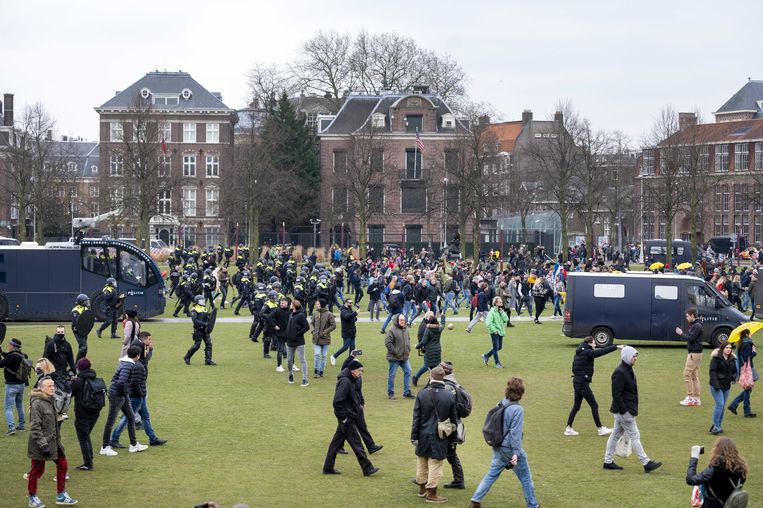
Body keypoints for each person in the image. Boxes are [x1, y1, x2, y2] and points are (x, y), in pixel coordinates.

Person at [469, 377, 539, 508]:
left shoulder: (501, 403)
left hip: (498, 446)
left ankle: (475, 501)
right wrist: (516, 453)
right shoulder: (518, 409)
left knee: (491, 474)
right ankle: (533, 505)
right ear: (521, 393)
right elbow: (515, 433)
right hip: (509, 448)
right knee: (525, 477)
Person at [602, 346, 662, 473]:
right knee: (635, 435)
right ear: (627, 356)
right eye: (634, 356)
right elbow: (616, 394)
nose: (635, 359)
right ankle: (646, 463)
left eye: (636, 356)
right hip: (624, 412)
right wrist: (625, 411)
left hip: (624, 410)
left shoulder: (627, 369)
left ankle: (607, 461)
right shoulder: (620, 372)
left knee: (615, 435)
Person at [322, 359, 379, 477]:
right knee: (357, 444)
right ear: (352, 371)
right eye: (359, 371)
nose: (361, 373)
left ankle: (328, 467)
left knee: (336, 444)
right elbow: (337, 401)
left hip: (348, 416)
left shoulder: (351, 380)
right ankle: (367, 468)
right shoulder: (346, 382)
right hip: (347, 418)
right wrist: (343, 418)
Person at [26, 377, 78, 507]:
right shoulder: (37, 403)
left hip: (54, 442)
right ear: (41, 388)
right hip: (40, 444)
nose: (52, 388)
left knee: (63, 465)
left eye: (53, 386)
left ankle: (61, 495)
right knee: (37, 471)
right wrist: (43, 445)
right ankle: (32, 497)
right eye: (49, 386)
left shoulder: (51, 400)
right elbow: (35, 427)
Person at [411, 365, 458, 504]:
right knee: (435, 463)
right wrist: (454, 439)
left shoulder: (422, 393)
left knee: (421, 461)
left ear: (430, 377)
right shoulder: (449, 396)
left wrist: (414, 436)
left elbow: (416, 418)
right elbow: (453, 420)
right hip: (440, 435)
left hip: (422, 434)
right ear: (442, 378)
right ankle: (432, 493)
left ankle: (422, 489)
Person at [109, 341, 166, 448]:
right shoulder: (138, 366)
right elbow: (135, 383)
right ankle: (114, 438)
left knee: (145, 416)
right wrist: (141, 394)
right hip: (137, 397)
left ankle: (153, 438)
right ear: (138, 355)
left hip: (138, 396)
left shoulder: (131, 363)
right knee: (128, 418)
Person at [564, 336, 621, 436]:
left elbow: (574, 368)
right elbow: (601, 352)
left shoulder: (580, 352)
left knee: (576, 406)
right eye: (594, 343)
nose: (595, 345)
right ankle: (600, 429)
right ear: (590, 343)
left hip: (577, 381)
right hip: (582, 383)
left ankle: (568, 428)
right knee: (594, 405)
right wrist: (616, 347)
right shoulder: (587, 353)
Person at [99, 346, 148, 457]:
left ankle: (133, 444)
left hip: (121, 395)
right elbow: (121, 382)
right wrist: (122, 394)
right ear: (137, 356)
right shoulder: (128, 365)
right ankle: (105, 447)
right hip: (117, 395)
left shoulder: (125, 362)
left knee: (131, 417)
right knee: (110, 421)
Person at [686, 438, 748, 508]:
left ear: (717, 450)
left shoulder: (715, 469)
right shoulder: (741, 469)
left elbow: (690, 479)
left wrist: (694, 457)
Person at [69, 358, 105, 470]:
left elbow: (68, 394)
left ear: (79, 368)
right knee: (86, 436)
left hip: (82, 414)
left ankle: (88, 463)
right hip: (95, 413)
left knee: (83, 438)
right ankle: (89, 460)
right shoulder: (96, 379)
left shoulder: (77, 381)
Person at [440, 361, 466, 490]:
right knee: (450, 452)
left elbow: (444, 407)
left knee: (444, 451)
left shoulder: (447, 387)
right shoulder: (453, 383)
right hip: (454, 422)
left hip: (448, 424)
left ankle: (424, 478)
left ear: (445, 370)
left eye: (440, 367)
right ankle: (458, 480)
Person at [676, 308, 704, 407]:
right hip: (696, 353)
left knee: (687, 374)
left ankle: (691, 398)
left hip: (694, 353)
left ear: (692, 315)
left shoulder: (697, 326)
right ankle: (696, 398)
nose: (686, 318)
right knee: (694, 376)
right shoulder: (697, 325)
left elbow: (690, 338)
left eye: (687, 316)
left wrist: (681, 333)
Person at [708, 340, 737, 434]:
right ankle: (715, 426)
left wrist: (733, 377)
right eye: (727, 348)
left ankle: (718, 426)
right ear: (722, 348)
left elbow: (735, 371)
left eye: (730, 348)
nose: (729, 350)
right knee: (720, 404)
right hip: (716, 385)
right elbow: (712, 372)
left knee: (722, 406)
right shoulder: (716, 358)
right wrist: (716, 384)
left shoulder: (732, 359)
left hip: (726, 386)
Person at [1, 338, 29, 435]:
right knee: (19, 405)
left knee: (8, 407)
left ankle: (11, 427)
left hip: (11, 385)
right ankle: (21, 425)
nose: (8, 346)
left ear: (13, 346)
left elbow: (1, 364)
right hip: (21, 385)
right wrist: (2, 352)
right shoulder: (23, 355)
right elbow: (9, 358)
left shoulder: (11, 357)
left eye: (9, 344)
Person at [728, 329, 757, 418]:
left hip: (743, 368)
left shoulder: (742, 343)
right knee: (748, 388)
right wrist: (754, 353)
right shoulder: (747, 344)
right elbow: (746, 358)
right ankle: (746, 411)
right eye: (750, 333)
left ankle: (734, 405)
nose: (751, 335)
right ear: (747, 334)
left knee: (748, 389)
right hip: (746, 369)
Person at [385, 314, 414, 400]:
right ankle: (390, 393)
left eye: (403, 320)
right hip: (394, 357)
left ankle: (407, 392)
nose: (403, 321)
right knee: (392, 375)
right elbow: (387, 343)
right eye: (401, 320)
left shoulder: (405, 329)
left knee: (408, 372)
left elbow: (408, 340)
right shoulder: (391, 330)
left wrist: (408, 350)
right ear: (397, 320)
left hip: (404, 357)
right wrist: (395, 352)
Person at [184, 295, 216, 366]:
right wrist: (204, 323)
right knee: (197, 345)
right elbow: (195, 320)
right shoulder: (194, 310)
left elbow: (208, 318)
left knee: (209, 344)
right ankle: (187, 357)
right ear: (197, 302)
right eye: (201, 301)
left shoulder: (204, 309)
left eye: (203, 301)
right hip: (198, 330)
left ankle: (208, 360)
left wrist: (210, 315)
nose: (203, 302)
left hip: (205, 330)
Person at [413, 315, 442, 387]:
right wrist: (443, 316)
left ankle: (417, 378)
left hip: (429, 351)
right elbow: (443, 324)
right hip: (437, 351)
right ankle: (428, 382)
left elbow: (423, 342)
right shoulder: (439, 328)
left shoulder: (428, 330)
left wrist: (417, 346)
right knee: (433, 367)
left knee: (428, 366)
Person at [286, 299, 310, 387]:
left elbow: (306, 327)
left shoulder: (301, 315)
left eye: (291, 304)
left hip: (299, 342)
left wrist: (298, 333)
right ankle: (290, 374)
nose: (289, 305)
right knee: (289, 360)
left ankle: (305, 379)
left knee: (302, 360)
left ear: (294, 305)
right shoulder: (291, 314)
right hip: (289, 342)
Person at [311, 299, 336, 379]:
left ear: (322, 304)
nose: (316, 306)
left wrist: (325, 332)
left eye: (318, 304)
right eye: (316, 304)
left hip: (325, 339)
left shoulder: (329, 314)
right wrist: (312, 330)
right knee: (317, 354)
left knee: (324, 356)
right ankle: (316, 371)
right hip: (316, 339)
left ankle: (321, 371)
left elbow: (333, 325)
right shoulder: (315, 313)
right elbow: (311, 323)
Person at [482, 296, 508, 369]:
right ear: (495, 303)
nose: (501, 303)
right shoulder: (492, 312)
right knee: (495, 347)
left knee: (499, 347)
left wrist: (502, 312)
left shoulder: (500, 311)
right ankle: (497, 363)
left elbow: (506, 319)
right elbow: (488, 323)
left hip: (500, 331)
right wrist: (494, 330)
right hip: (495, 332)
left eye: (501, 302)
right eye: (500, 302)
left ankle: (486, 356)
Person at [331, 298, 357, 366]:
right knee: (345, 347)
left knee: (353, 347)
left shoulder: (350, 309)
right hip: (347, 332)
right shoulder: (343, 310)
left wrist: (354, 315)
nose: (351, 304)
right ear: (346, 303)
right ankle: (334, 356)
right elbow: (347, 316)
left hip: (352, 331)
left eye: (351, 303)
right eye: (349, 303)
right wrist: (355, 313)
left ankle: (351, 360)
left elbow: (354, 319)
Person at [70, 293, 91, 361]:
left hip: (84, 330)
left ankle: (81, 363)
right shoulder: (75, 311)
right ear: (81, 302)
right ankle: (76, 365)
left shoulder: (85, 308)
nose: (87, 302)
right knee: (83, 347)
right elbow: (76, 322)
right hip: (77, 330)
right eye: (86, 301)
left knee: (83, 348)